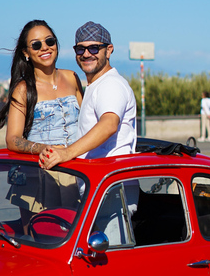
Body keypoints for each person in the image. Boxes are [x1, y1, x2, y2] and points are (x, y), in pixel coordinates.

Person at [39, 21, 137, 169]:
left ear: (109, 50)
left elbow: (109, 124)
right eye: (80, 49)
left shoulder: (111, 84)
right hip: (101, 181)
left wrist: (67, 153)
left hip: (113, 185)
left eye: (94, 48)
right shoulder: (95, 85)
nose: (86, 54)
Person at [0, 19, 83, 154]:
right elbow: (12, 139)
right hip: (43, 170)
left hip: (78, 167)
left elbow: (86, 122)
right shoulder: (23, 89)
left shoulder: (72, 77)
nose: (44, 47)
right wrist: (43, 149)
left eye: (49, 41)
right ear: (26, 53)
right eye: (36, 45)